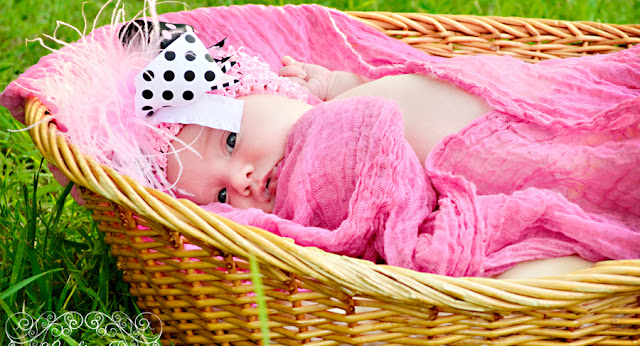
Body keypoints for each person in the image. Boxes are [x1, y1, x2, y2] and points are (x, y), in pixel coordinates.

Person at [165, 56, 599, 279]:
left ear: (274, 90)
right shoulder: (302, 216)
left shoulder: (335, 107)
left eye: (231, 142)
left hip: (528, 136)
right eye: (221, 196)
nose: (240, 180)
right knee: (531, 267)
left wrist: (338, 85)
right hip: (498, 208)